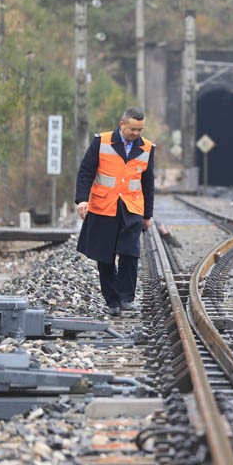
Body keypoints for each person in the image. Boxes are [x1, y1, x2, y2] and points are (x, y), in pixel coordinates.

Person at [75, 107, 155, 317]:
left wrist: (148, 215)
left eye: (140, 129)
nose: (137, 133)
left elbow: (148, 184)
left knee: (130, 253)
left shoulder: (146, 148)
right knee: (105, 257)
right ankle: (113, 302)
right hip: (104, 207)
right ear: (122, 125)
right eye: (133, 129)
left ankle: (126, 297)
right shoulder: (101, 142)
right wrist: (82, 199)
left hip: (132, 208)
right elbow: (86, 172)